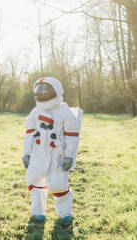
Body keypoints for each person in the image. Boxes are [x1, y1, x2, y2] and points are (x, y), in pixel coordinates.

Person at [22, 77, 82, 224]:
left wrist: (69, 157)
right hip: (37, 153)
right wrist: (27, 154)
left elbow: (72, 135)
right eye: (39, 89)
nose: (42, 93)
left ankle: (65, 213)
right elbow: (28, 133)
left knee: (58, 184)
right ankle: (38, 212)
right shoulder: (36, 111)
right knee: (35, 180)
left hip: (57, 154)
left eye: (45, 89)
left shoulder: (63, 110)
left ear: (56, 90)